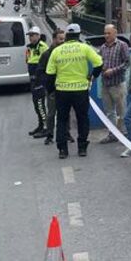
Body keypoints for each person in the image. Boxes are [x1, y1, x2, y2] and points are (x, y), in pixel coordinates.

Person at [45, 23, 102, 159]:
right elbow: (99, 63)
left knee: (62, 120)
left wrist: (51, 90)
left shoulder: (57, 51)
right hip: (80, 90)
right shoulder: (84, 48)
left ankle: (62, 150)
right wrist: (92, 75)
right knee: (82, 119)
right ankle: (82, 147)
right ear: (78, 34)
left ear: (67, 35)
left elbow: (50, 74)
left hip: (62, 91)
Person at [97, 24, 130, 144]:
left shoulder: (122, 46)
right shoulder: (103, 47)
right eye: (105, 33)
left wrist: (113, 70)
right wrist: (101, 69)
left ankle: (124, 133)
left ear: (115, 33)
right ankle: (112, 134)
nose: (106, 35)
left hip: (117, 84)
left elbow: (127, 63)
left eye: (108, 33)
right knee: (109, 111)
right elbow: (98, 61)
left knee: (122, 110)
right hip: (105, 84)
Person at [37, 29, 66, 145]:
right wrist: (48, 85)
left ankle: (66, 134)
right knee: (51, 113)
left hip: (65, 88)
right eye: (60, 39)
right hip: (52, 89)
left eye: (64, 39)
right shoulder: (47, 55)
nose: (62, 41)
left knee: (65, 112)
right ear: (54, 39)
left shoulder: (65, 53)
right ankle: (49, 134)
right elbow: (40, 71)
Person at [25, 27, 49, 137]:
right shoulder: (30, 48)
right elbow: (28, 60)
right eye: (30, 35)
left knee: (40, 104)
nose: (31, 37)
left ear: (38, 35)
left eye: (33, 35)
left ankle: (45, 127)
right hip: (33, 79)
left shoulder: (43, 47)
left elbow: (47, 63)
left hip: (40, 79)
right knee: (36, 104)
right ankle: (40, 125)